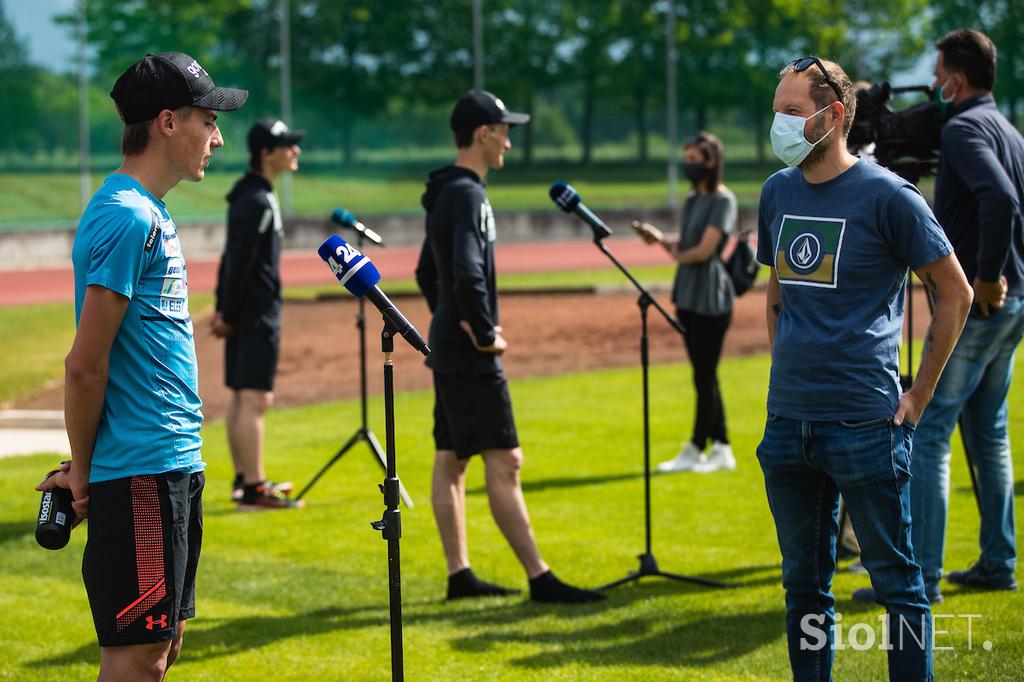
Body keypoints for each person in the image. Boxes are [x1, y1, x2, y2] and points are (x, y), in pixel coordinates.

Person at [756, 56, 972, 680]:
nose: (782, 125)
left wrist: (920, 396)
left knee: (900, 590)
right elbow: (776, 299)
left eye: (793, 113)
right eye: (777, 113)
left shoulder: (889, 196)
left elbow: (953, 293)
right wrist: (791, 374)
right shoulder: (778, 191)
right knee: (804, 591)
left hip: (864, 425)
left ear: (836, 115)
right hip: (789, 426)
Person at [34, 52, 247, 680]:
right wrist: (86, 475)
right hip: (142, 471)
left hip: (171, 463)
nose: (218, 135)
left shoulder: (151, 213)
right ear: (167, 122)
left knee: (162, 647)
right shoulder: (127, 216)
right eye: (208, 120)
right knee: (138, 660)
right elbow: (85, 365)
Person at [415, 90, 604, 604]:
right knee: (506, 460)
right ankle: (541, 578)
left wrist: (448, 320)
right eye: (503, 130)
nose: (508, 141)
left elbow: (426, 273)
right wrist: (479, 327)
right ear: (482, 134)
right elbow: (465, 272)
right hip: (470, 348)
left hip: (450, 342)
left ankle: (460, 576)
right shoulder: (469, 194)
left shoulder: (446, 191)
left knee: (451, 458)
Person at [909, 28, 1024, 596]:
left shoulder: (961, 128)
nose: (933, 84)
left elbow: (999, 197)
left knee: (929, 427)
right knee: (989, 433)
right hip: (1014, 304)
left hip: (983, 304)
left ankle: (920, 577)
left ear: (956, 79)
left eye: (937, 75)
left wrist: (983, 274)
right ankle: (998, 563)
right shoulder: (1007, 126)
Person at [211, 119, 304, 510]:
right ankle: (253, 486)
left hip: (245, 313)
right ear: (265, 153)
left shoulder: (253, 195)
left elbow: (232, 258)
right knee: (255, 399)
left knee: (242, 397)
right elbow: (240, 262)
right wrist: (228, 312)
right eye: (286, 146)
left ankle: (245, 478)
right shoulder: (257, 200)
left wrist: (224, 308)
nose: (294, 151)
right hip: (254, 315)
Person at [634, 131, 738, 473]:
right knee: (704, 374)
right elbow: (687, 250)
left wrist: (675, 249)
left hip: (711, 297)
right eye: (687, 158)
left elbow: (703, 252)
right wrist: (662, 240)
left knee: (704, 375)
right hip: (689, 294)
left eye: (695, 158)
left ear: (711, 161)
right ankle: (721, 446)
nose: (688, 165)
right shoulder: (693, 200)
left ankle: (697, 445)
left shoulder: (724, 201)